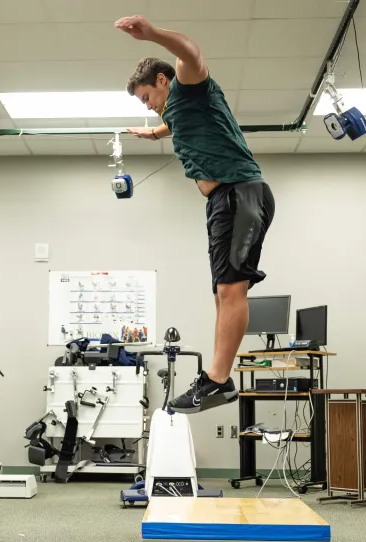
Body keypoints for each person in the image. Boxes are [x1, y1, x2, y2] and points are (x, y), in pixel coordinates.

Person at [115, 15, 276, 415]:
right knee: (222, 291)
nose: (148, 106)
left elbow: (190, 52)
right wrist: (152, 133)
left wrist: (152, 34)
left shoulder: (189, 87)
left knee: (231, 290)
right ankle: (217, 379)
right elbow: (174, 125)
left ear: (162, 80)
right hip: (224, 200)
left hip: (239, 192)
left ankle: (218, 381)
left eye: (146, 97)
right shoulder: (178, 112)